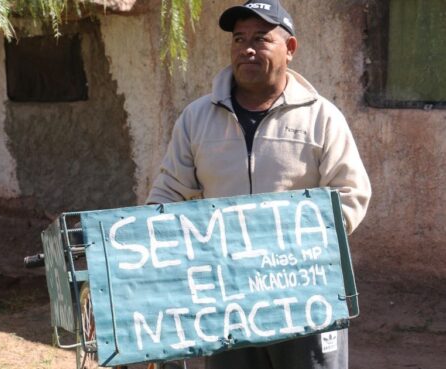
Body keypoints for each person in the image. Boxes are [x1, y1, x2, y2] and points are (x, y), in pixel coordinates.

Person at [147, 0, 371, 368]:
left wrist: (290, 251)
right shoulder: (197, 118)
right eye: (238, 39)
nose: (247, 49)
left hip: (305, 295)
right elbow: (171, 191)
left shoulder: (321, 117)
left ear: (290, 49)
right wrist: (145, 246)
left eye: (261, 39)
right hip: (226, 298)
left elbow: (350, 194)